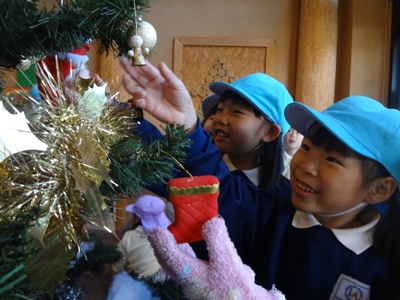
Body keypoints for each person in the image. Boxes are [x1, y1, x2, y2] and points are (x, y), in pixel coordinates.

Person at [119, 58, 400, 299]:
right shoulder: (273, 212)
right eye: (307, 148)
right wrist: (188, 127)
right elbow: (222, 190)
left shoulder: (381, 266)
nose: (307, 166)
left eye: (332, 159)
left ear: (380, 189)